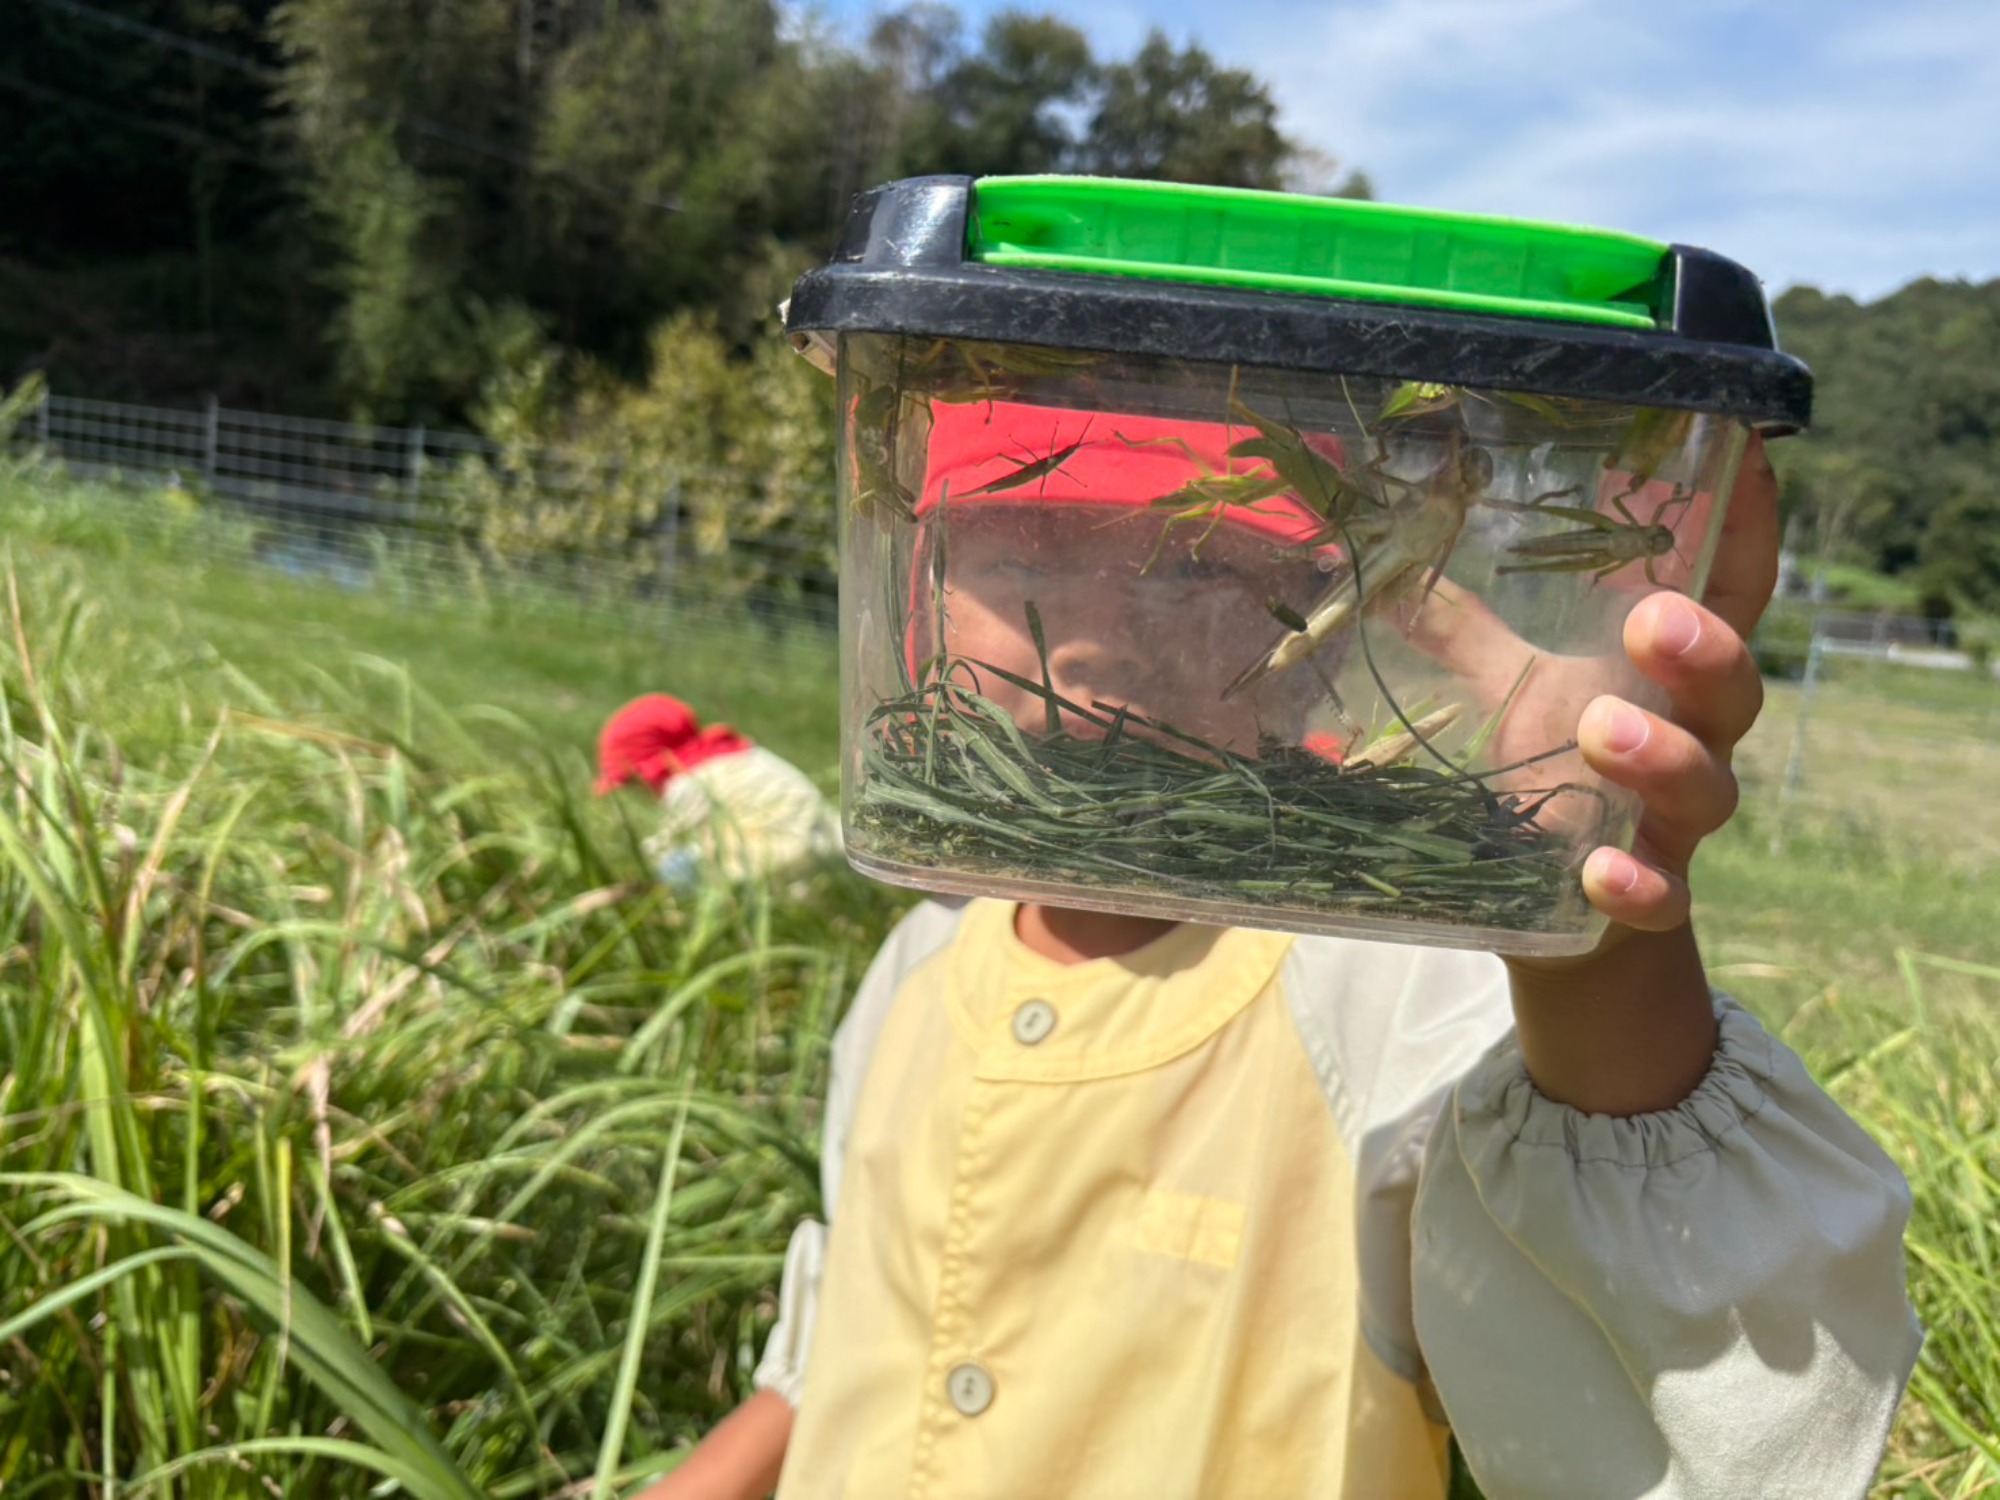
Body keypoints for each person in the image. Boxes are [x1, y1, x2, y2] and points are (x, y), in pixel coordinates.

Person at [630, 403, 1921, 1500]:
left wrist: (1574, 916)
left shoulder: (1383, 985)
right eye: (1026, 543)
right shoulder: (915, 968)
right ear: (914, 586)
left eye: (1188, 568)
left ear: (1318, 643)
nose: (1088, 632)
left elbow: (1685, 1358)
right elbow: (847, 1347)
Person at [595, 694, 839, 891]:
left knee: (677, 867)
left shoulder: (687, 783)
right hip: (824, 839)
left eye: (634, 784)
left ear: (650, 769)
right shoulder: (737, 755)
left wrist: (640, 870)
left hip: (774, 854)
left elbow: (671, 841)